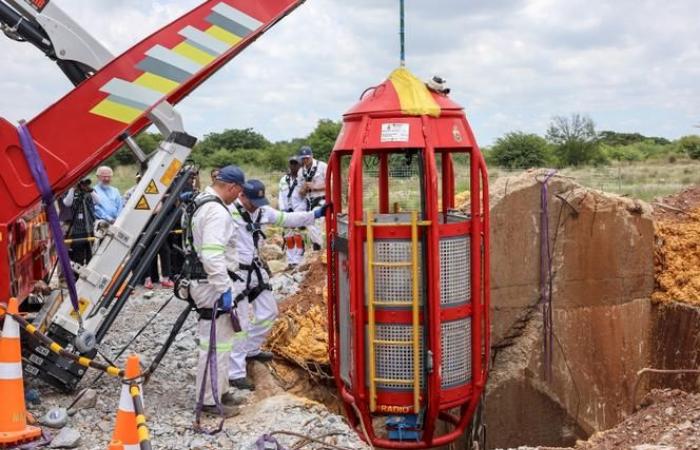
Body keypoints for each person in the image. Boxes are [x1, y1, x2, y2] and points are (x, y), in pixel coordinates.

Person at [228, 179, 327, 390]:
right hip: (236, 274)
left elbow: (287, 218)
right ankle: (235, 373)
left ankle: (251, 349)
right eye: (252, 201)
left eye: (259, 201)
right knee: (241, 323)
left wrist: (316, 214)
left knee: (269, 312)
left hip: (254, 271)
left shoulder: (262, 212)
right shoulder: (228, 212)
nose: (256, 205)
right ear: (241, 196)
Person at [188, 165, 246, 417]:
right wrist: (224, 289)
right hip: (212, 285)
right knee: (214, 344)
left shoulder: (203, 203)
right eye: (238, 193)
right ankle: (211, 400)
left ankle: (219, 389)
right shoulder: (217, 212)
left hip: (205, 283)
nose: (237, 198)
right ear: (232, 187)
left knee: (220, 343)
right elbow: (212, 255)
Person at [278, 156, 306, 269]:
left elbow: (305, 199)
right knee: (288, 236)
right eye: (292, 164)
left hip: (299, 212)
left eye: (296, 164)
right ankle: (290, 260)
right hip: (286, 212)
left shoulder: (303, 179)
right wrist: (283, 210)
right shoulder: (283, 180)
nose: (293, 166)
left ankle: (298, 259)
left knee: (298, 236)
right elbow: (281, 196)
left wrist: (297, 212)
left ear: (300, 166)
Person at [297, 146, 327, 251]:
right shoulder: (301, 172)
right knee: (309, 224)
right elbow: (300, 193)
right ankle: (318, 248)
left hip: (322, 199)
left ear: (312, 156)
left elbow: (332, 184)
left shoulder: (323, 166)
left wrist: (315, 187)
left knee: (314, 223)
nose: (305, 160)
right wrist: (304, 188)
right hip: (308, 202)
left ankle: (319, 248)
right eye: (303, 158)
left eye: (307, 158)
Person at [64, 178, 98, 265]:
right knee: (78, 258)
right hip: (76, 230)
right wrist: (72, 188)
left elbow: (98, 201)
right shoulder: (70, 191)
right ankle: (77, 277)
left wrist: (90, 190)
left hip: (89, 228)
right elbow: (67, 203)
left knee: (91, 257)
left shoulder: (89, 192)